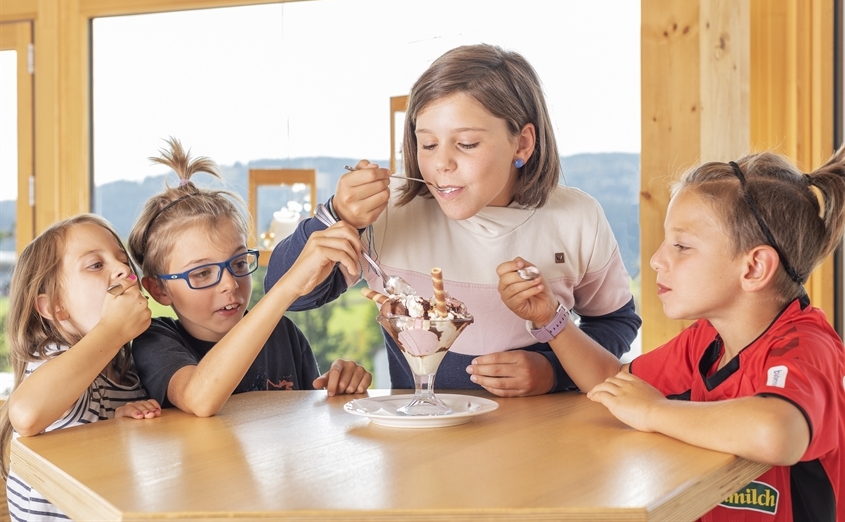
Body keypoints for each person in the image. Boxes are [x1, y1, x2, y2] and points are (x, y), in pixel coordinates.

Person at [265, 43, 641, 396]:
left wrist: (553, 372)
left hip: (543, 442)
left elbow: (615, 323)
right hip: (422, 449)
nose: (441, 163)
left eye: (466, 144)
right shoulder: (388, 211)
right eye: (427, 144)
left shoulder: (576, 218)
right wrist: (337, 217)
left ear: (522, 143)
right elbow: (285, 294)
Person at [498, 147, 845, 521]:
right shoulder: (707, 339)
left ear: (754, 267)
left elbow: (777, 432)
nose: (656, 259)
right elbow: (613, 383)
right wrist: (553, 318)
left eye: (682, 246)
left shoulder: (807, 347)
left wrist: (655, 410)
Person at [128, 139, 371, 418]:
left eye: (239, 262)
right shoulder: (156, 341)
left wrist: (336, 389)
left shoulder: (284, 335)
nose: (230, 284)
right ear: (159, 289)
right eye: (203, 273)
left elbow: (306, 422)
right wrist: (287, 287)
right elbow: (199, 399)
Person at [0, 214, 161, 520]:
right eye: (96, 265)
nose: (123, 269)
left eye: (121, 258)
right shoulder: (55, 358)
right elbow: (26, 413)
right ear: (54, 307)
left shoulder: (121, 367)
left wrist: (119, 424)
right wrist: (112, 331)